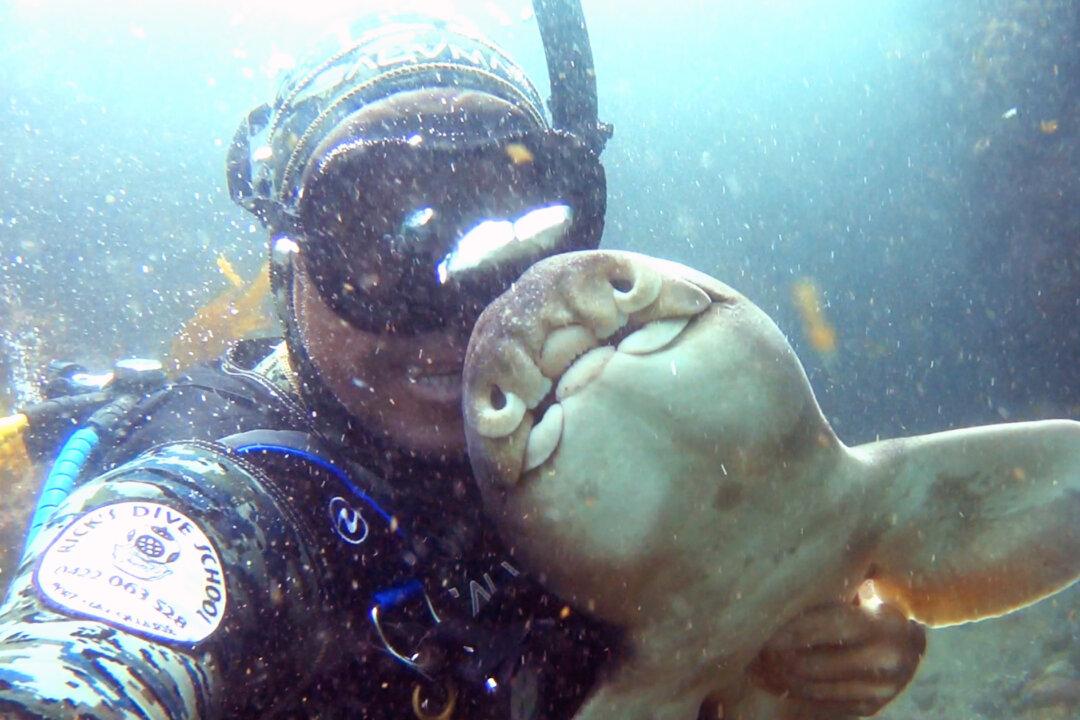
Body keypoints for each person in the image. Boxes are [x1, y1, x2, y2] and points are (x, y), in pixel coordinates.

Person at [0, 8, 925, 719]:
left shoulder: (615, 466)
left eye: (504, 230)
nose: (455, 312)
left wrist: (782, 650)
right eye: (374, 237)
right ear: (289, 271)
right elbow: (86, 660)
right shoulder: (236, 497)